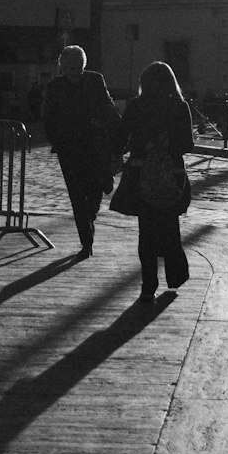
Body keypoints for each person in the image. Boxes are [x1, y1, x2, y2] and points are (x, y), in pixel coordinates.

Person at [120, 61, 193, 303]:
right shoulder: (179, 107)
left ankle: (148, 285)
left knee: (146, 232)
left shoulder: (135, 106)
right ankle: (175, 275)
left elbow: (122, 137)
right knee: (170, 229)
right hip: (172, 174)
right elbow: (187, 145)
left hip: (141, 175)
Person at [42, 45, 121, 258]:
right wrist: (58, 138)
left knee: (94, 194)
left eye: (78, 68)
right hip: (70, 150)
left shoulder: (95, 80)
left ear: (83, 66)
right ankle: (86, 243)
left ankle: (89, 220)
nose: (75, 73)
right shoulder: (55, 86)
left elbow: (107, 107)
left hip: (95, 147)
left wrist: (113, 130)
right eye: (70, 68)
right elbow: (49, 117)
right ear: (62, 68)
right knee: (77, 197)